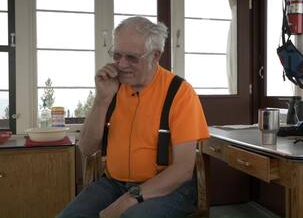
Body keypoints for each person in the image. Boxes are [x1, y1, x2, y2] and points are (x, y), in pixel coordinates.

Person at [57, 16, 209, 218]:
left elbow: (182, 170)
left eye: (132, 57)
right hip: (113, 183)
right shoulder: (111, 87)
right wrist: (102, 99)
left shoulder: (180, 93)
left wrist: (129, 199)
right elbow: (86, 148)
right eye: (117, 55)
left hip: (168, 187)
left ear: (155, 56)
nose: (121, 64)